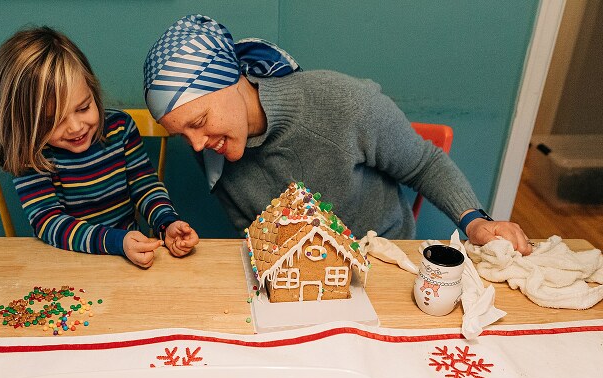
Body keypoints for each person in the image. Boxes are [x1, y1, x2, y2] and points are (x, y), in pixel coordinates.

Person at [143, 15, 532, 255]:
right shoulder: (213, 148)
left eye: (198, 122)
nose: (195, 144)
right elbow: (252, 231)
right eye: (182, 135)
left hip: (385, 260)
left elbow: (425, 164)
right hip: (300, 276)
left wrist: (476, 222)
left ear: (230, 80)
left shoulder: (343, 103)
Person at [0, 26, 199, 268]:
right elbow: (49, 221)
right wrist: (117, 241)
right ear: (25, 123)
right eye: (52, 121)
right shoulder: (31, 155)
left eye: (83, 108)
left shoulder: (120, 128)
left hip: (129, 262)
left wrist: (165, 223)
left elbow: (146, 187)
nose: (76, 127)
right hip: (67, 265)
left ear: (92, 90)